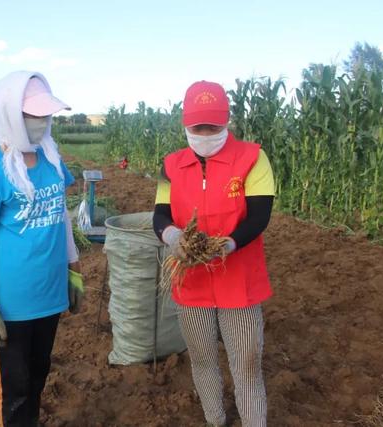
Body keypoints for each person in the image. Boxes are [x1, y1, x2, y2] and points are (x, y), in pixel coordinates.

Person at [0, 71, 84, 427]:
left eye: (46, 115)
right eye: (33, 115)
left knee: (38, 376)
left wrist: (74, 269)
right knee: (14, 392)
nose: (42, 123)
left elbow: (61, 215)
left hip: (49, 293)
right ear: (9, 115)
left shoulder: (50, 156)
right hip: (12, 303)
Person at [153, 80, 275, 427]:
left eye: (213, 126)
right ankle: (215, 419)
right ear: (185, 124)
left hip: (239, 278)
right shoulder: (171, 165)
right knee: (203, 357)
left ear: (227, 121)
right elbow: (159, 215)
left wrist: (228, 244)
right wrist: (173, 235)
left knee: (247, 362)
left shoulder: (252, 158)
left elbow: (259, 215)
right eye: (197, 127)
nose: (205, 133)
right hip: (191, 279)